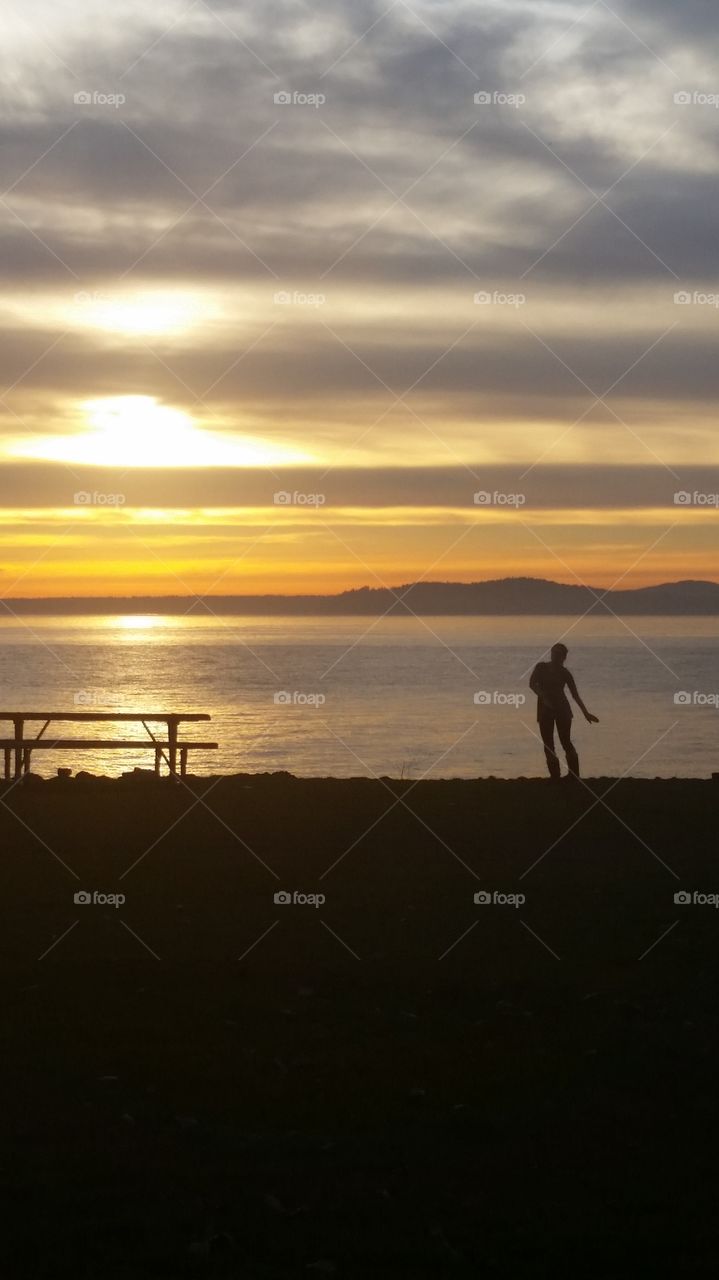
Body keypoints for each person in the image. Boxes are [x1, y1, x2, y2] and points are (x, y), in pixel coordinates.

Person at [529, 643, 599, 781]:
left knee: (565, 741)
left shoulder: (565, 673)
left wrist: (586, 713)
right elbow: (532, 684)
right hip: (545, 710)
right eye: (554, 653)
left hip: (563, 710)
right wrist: (543, 696)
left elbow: (575, 695)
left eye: (560, 655)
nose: (557, 657)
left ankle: (574, 775)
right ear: (551, 654)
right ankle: (555, 775)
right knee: (548, 743)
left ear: (564, 657)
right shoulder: (541, 667)